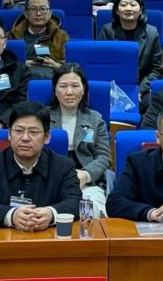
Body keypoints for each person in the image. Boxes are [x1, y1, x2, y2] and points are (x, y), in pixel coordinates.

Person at [0, 101, 81, 230]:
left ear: (46, 137)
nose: (25, 138)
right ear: (9, 134)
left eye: (33, 132)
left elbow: (75, 201)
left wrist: (51, 214)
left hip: (48, 238)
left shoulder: (64, 166)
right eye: (19, 131)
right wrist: (11, 215)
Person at [48, 65, 114, 209]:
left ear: (83, 89)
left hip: (86, 181)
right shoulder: (42, 118)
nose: (69, 92)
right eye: (63, 86)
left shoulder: (95, 119)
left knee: (90, 210)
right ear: (55, 90)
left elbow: (104, 157)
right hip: (49, 180)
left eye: (75, 86)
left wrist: (86, 174)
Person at [96, 0, 161, 89]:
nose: (128, 8)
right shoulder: (107, 31)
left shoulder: (152, 33)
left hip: (142, 86)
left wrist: (140, 90)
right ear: (116, 10)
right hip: (113, 86)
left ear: (141, 10)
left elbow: (156, 69)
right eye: (123, 5)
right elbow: (101, 64)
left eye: (133, 5)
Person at [10, 0, 68, 81]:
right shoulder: (12, 36)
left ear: (50, 13)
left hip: (51, 79)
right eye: (33, 9)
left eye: (43, 9)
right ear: (26, 13)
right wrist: (21, 64)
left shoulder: (61, 36)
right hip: (20, 80)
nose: (38, 13)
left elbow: (69, 65)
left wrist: (56, 65)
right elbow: (2, 63)